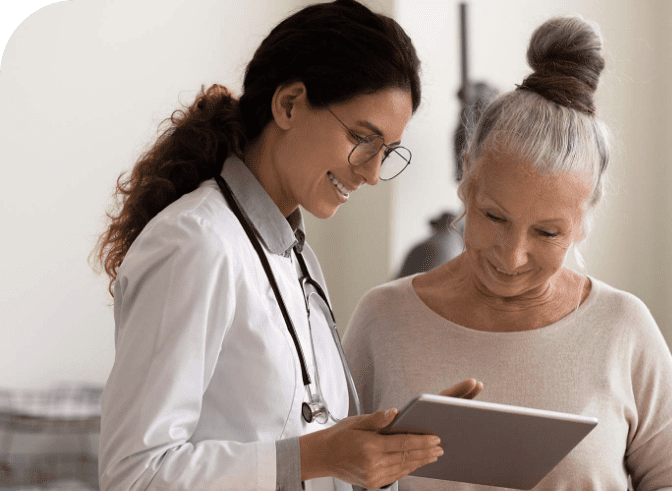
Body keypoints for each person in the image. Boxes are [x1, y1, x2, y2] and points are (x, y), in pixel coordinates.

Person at [93, 2, 480, 490]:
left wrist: (381, 453)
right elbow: (133, 476)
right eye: (363, 138)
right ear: (290, 104)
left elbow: (308, 449)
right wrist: (310, 458)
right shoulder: (195, 244)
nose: (372, 173)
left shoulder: (295, 256)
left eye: (387, 152)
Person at [342, 15, 672, 491]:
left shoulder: (622, 327)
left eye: (547, 233)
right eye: (494, 218)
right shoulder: (384, 319)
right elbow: (326, 476)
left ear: (582, 221)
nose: (512, 256)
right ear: (466, 181)